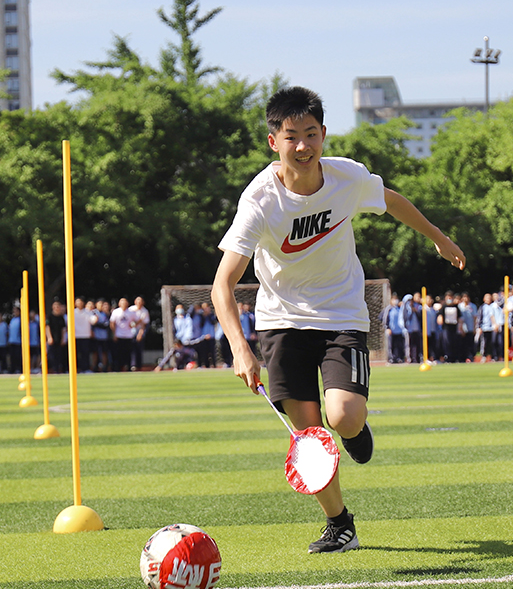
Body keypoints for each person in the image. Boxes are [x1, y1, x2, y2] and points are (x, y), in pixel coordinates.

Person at [211, 86, 465, 554]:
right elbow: (222, 284)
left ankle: (354, 428)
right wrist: (240, 348)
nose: (303, 146)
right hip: (281, 322)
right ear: (274, 142)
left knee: (342, 417)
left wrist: (437, 237)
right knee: (309, 438)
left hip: (342, 312)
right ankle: (340, 523)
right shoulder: (259, 202)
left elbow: (389, 199)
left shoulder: (347, 177)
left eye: (311, 134)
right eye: (292, 137)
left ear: (324, 135)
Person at [110, 298, 137, 372]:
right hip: (119, 335)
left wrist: (133, 325)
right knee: (118, 353)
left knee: (128, 353)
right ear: (119, 304)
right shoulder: (116, 312)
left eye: (125, 302)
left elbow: (137, 320)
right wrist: (114, 334)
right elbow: (112, 323)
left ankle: (128, 368)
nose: (123, 304)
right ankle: (118, 368)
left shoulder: (131, 312)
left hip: (128, 336)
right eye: (122, 302)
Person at [46, 300, 67, 373]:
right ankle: (51, 369)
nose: (56, 308)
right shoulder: (50, 317)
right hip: (52, 339)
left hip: (59, 339)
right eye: (55, 306)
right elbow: (47, 327)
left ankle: (57, 369)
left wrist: (63, 339)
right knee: (51, 355)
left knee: (59, 355)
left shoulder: (61, 317)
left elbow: (63, 329)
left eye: (58, 306)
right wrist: (49, 337)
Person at [131, 296, 150, 371]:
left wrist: (140, 333)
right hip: (130, 332)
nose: (139, 303)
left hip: (140, 331)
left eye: (140, 301)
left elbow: (144, 324)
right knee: (132, 350)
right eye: (137, 301)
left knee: (139, 349)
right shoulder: (131, 310)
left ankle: (138, 365)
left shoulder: (145, 311)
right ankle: (132, 365)